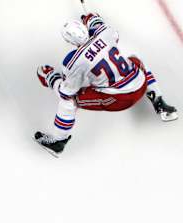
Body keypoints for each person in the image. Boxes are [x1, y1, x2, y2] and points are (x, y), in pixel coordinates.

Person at [35, 13, 178, 157]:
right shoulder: (104, 32)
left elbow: (65, 93)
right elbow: (100, 24)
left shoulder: (74, 61)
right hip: (141, 84)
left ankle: (58, 141)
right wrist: (90, 19)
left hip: (119, 99)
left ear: (69, 40)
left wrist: (50, 77)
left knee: (70, 101)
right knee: (135, 60)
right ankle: (159, 100)